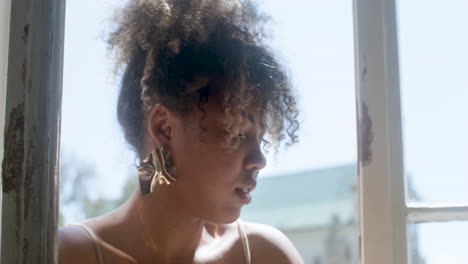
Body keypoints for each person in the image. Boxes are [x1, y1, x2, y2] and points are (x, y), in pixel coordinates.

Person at [59, 0, 303, 263]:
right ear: (164, 127)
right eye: (236, 133)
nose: (259, 160)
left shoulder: (264, 255)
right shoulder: (67, 254)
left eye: (261, 137)